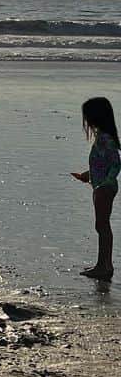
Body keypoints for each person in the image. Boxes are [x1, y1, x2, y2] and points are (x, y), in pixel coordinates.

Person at [71, 96, 119, 280]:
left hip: (105, 189)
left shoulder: (105, 139)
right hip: (99, 186)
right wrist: (87, 175)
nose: (87, 122)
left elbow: (115, 164)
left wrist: (105, 182)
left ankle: (105, 266)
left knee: (102, 226)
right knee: (101, 226)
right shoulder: (102, 137)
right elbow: (101, 164)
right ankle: (103, 264)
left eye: (88, 117)